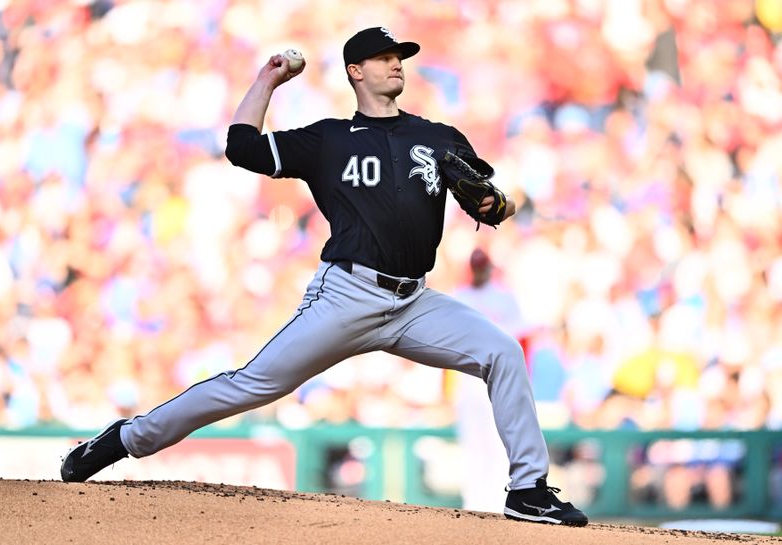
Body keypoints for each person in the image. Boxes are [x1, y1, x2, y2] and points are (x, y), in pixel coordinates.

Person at [60, 26, 588, 526]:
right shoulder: (329, 140)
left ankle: (528, 491)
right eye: (384, 58)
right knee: (251, 385)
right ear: (355, 71)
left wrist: (500, 204)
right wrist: (267, 79)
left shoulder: (437, 136)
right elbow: (242, 147)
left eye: (399, 57)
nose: (396, 64)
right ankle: (124, 439)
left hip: (415, 303)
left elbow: (491, 201)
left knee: (502, 352)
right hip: (347, 296)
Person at [452, 248, 529, 513]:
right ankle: (473, 502)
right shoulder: (459, 297)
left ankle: (499, 502)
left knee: (499, 441)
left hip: (498, 377)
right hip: (468, 379)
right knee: (472, 441)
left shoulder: (504, 298)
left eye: (483, 267)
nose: (479, 272)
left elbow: (522, 341)